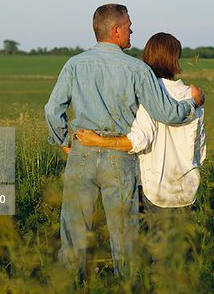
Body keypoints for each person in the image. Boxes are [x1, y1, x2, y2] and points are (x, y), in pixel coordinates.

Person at [44, 4, 205, 278]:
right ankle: (126, 292)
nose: (132, 30)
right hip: (119, 157)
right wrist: (193, 102)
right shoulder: (137, 70)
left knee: (74, 228)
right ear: (116, 30)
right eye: (129, 26)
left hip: (82, 151)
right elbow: (167, 114)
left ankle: (68, 291)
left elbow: (52, 109)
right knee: (123, 234)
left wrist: (64, 142)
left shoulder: (74, 64)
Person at [76, 32, 206, 212]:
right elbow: (200, 151)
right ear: (176, 58)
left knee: (151, 240)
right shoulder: (194, 96)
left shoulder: (146, 94)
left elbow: (139, 141)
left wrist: (97, 141)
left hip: (154, 191)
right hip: (188, 190)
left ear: (148, 57)